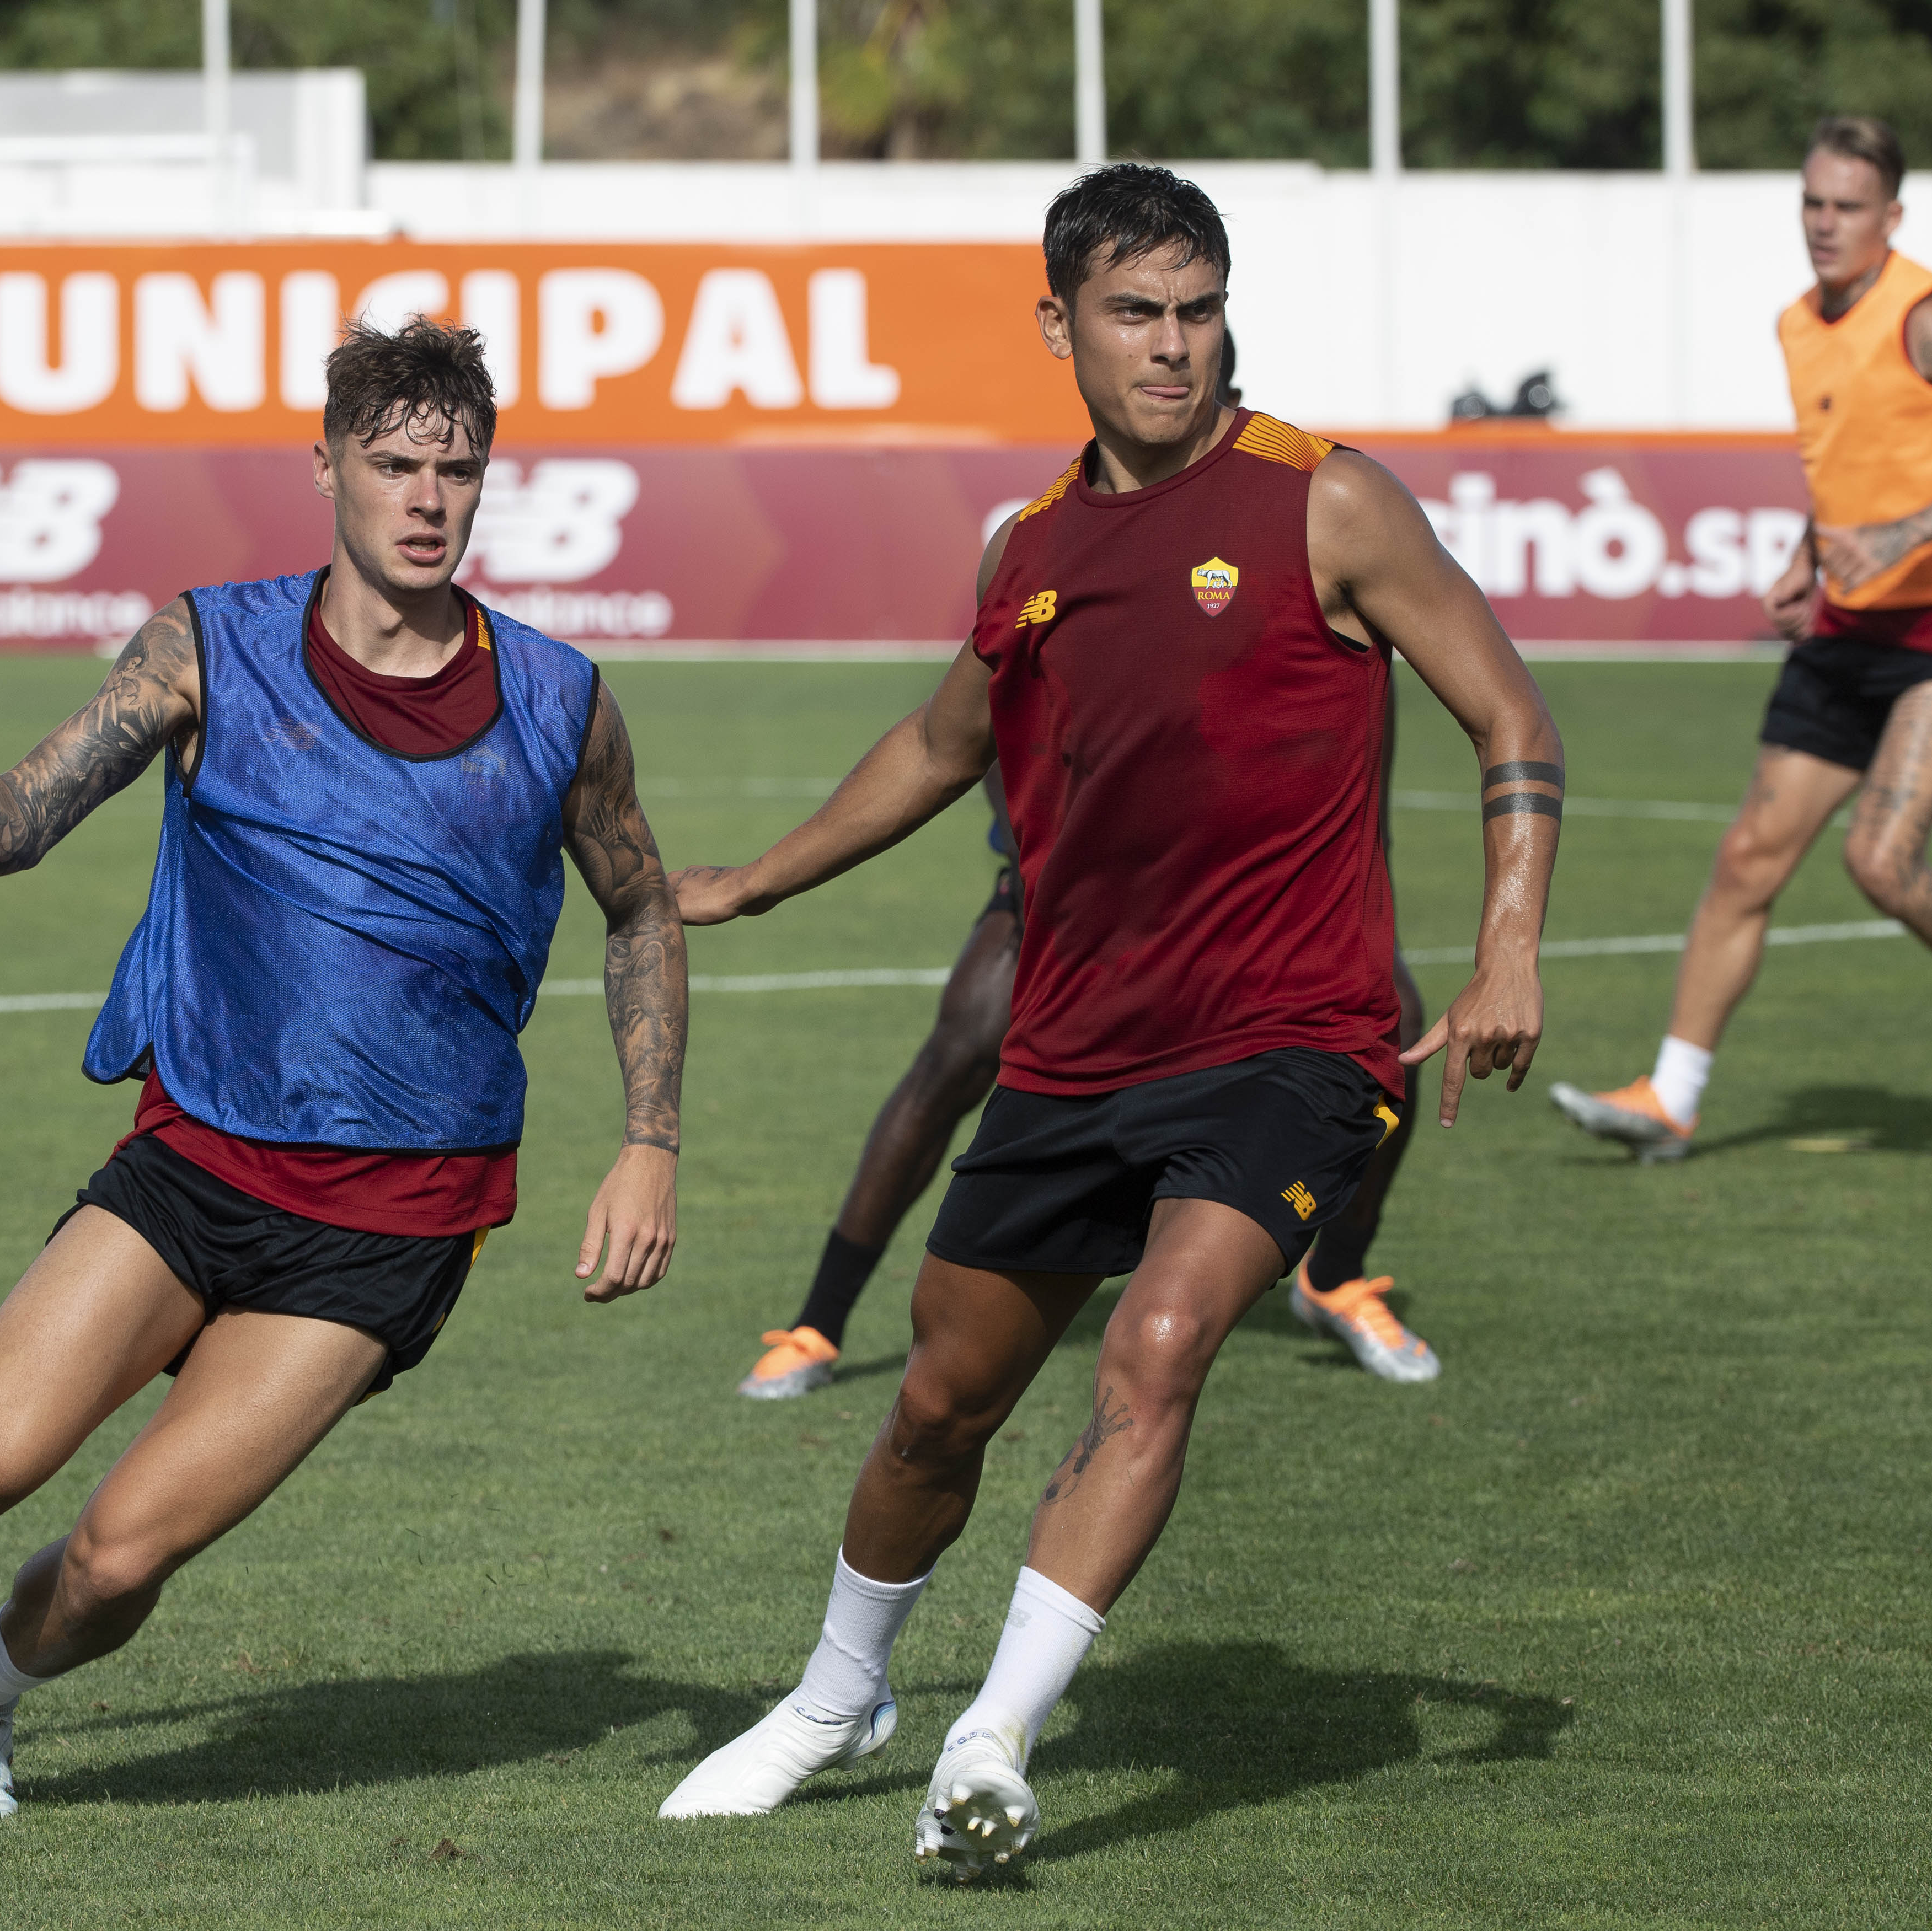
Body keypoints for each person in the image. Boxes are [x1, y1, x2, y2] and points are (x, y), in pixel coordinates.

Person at [0, 319, 686, 1820]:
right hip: (194, 1160)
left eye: (455, 469)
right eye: (391, 464)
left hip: (393, 1214)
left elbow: (638, 901)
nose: (425, 498)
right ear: (324, 466)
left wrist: (650, 1136)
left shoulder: (561, 699)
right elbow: (16, 823)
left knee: (123, 1550)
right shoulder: (209, 645)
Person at [655, 163, 1561, 1875]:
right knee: (938, 1399)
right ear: (1056, 321)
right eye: (1134, 312)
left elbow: (1507, 704)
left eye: (1197, 308)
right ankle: (837, 1694)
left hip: (1294, 1037)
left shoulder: (1325, 499)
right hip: (1075, 1052)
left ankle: (988, 1737)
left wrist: (1506, 937)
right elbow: (938, 746)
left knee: (1153, 1349)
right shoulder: (1030, 547)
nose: (1172, 346)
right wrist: (752, 880)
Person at [740, 332, 1439, 1401]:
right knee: (957, 1053)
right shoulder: (1048, 546)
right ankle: (816, 1319)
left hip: (1261, 928)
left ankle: (1335, 1277)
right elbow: (964, 738)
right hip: (1062, 904)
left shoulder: (1305, 544)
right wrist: (1039, 877)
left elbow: (1361, 786)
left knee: (1394, 1032)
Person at [1551, 115, 1932, 1162]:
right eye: (1811, 202)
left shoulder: (1930, 318)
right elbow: (1848, 466)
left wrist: (1905, 532)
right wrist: (1808, 551)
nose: (1824, 223)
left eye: (1846, 206)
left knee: (1880, 861)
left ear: (1892, 216)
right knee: (1747, 856)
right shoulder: (1798, 322)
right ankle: (1672, 1095)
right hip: (1847, 622)